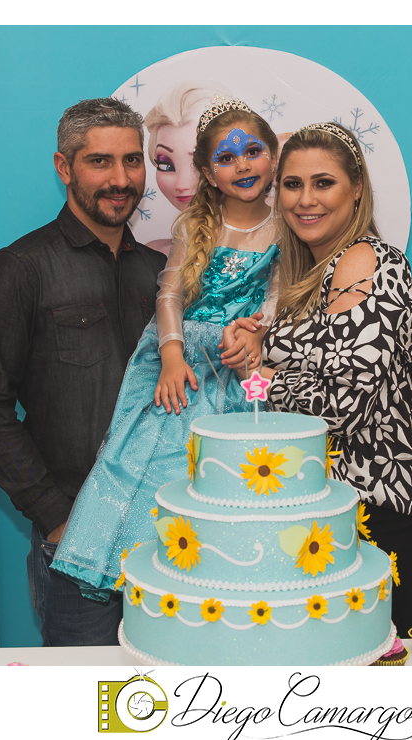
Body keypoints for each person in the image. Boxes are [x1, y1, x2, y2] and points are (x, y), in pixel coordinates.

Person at [51, 96, 282, 603]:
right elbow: (170, 294)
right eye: (226, 157)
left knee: (232, 471)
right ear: (207, 172)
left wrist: (259, 331)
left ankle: (215, 576)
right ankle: (130, 562)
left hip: (239, 364)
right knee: (148, 460)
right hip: (182, 356)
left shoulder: (285, 228)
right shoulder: (195, 225)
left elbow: (278, 295)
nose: (243, 165)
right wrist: (172, 355)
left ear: (274, 156)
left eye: (253, 151)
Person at [0, 98, 167, 647]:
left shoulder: (163, 274)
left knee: (175, 687)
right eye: (100, 161)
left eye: (132, 160)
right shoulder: (19, 269)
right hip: (75, 544)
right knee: (87, 696)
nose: (120, 179)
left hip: (170, 541)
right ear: (64, 167)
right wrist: (57, 516)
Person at [234, 122, 412, 631]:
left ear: (357, 189)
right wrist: (252, 361)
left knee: (375, 669)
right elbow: (269, 397)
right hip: (329, 513)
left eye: (323, 182)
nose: (305, 199)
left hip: (384, 510)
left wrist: (265, 368)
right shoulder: (306, 282)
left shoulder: (368, 261)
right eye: (292, 184)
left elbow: (344, 408)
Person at [143, 81, 230, 254]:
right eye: (166, 165)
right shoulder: (154, 255)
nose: (181, 185)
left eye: (198, 164)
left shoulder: (269, 250)